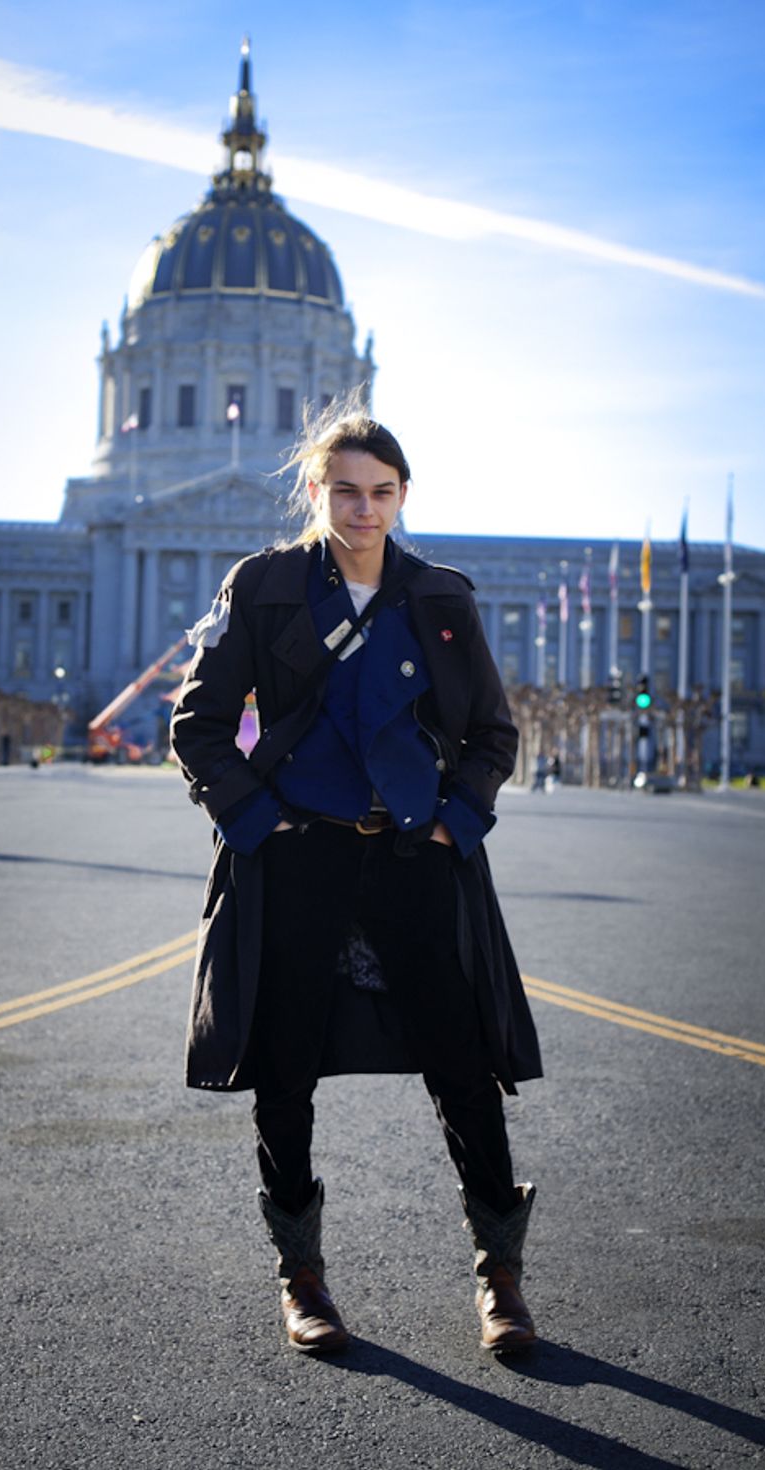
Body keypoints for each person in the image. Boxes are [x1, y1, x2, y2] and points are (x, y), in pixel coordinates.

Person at [170, 400, 542, 1357]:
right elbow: (200, 722)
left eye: (381, 492)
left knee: (463, 1062)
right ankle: (302, 1278)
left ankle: (500, 1276)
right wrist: (258, 823)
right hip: (303, 854)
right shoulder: (265, 588)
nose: (365, 508)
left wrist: (458, 824)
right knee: (284, 1063)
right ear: (315, 491)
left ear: (403, 496)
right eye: (346, 491)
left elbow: (493, 735)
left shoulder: (442, 598)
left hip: (415, 853)